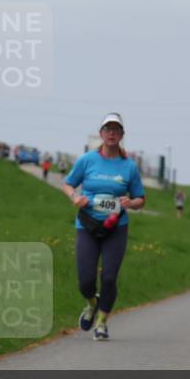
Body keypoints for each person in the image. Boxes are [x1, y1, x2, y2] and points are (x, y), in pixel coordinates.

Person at [62, 112, 145, 341]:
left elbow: (140, 199)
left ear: (121, 135)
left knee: (109, 277)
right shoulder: (87, 160)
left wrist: (132, 202)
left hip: (116, 226)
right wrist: (75, 197)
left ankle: (101, 323)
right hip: (87, 224)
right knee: (86, 280)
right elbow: (68, 184)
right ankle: (91, 304)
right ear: (101, 133)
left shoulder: (128, 166)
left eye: (115, 129)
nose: (111, 133)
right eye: (107, 129)